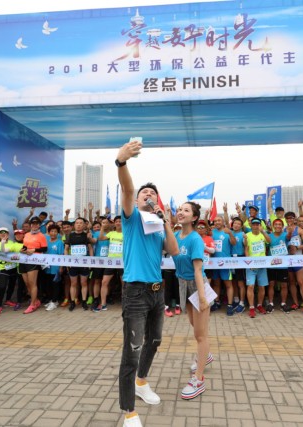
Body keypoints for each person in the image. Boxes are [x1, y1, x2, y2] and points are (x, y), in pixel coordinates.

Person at [115, 139, 179, 427]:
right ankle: (128, 412)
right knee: (132, 350)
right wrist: (121, 162)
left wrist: (166, 222)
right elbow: (128, 189)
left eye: (153, 193)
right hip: (136, 293)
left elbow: (173, 250)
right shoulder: (131, 218)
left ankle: (141, 383)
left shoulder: (157, 224)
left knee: (155, 340)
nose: (148, 195)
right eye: (145, 193)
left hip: (157, 291)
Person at [173, 201, 210, 400]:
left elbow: (198, 270)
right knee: (195, 325)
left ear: (194, 217)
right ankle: (206, 355)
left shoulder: (195, 239)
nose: (181, 212)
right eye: (179, 209)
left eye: (186, 210)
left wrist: (202, 298)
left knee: (200, 335)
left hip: (198, 286)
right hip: (182, 284)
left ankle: (199, 379)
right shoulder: (176, 236)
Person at [244, 218, 271, 318]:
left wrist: (263, 231)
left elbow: (269, 241)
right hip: (251, 266)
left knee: (261, 286)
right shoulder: (247, 235)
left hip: (262, 265)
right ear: (251, 226)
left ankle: (259, 305)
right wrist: (249, 263)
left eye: (257, 224)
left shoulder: (262, 234)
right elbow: (246, 249)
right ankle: (251, 307)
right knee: (250, 286)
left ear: (260, 225)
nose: (255, 226)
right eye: (254, 224)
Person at [65, 217, 93, 311]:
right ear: (74, 225)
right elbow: (66, 249)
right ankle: (72, 302)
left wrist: (91, 261)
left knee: (83, 283)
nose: (79, 224)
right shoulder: (70, 235)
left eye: (81, 223)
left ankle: (84, 301)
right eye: (77, 223)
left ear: (84, 225)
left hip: (84, 263)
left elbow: (90, 249)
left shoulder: (86, 236)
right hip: (73, 263)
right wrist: (67, 262)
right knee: (73, 283)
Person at [210, 215, 236, 316]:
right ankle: (217, 302)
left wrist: (230, 233)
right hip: (214, 263)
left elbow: (233, 243)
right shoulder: (212, 232)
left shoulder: (227, 231)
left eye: (219, 220)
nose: (217, 222)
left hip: (225, 263)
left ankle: (229, 305)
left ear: (222, 222)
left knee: (228, 284)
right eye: (215, 221)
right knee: (216, 284)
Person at [21, 216, 48, 314]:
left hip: (34, 260)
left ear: (39, 225)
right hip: (24, 260)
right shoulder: (27, 234)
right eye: (33, 223)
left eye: (37, 223)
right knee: (27, 283)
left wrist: (34, 250)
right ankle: (36, 301)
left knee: (32, 283)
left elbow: (44, 248)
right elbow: (25, 246)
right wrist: (23, 250)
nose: (35, 225)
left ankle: (32, 304)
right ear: (31, 224)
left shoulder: (41, 236)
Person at [0, 227, 21, 315]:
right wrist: (2, 243)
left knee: (12, 285)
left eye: (5, 232)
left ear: (8, 234)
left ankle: (8, 300)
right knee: (2, 287)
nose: (3, 234)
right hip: (3, 268)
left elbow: (16, 249)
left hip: (13, 267)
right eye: (1, 233)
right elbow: (2, 251)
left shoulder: (12, 243)